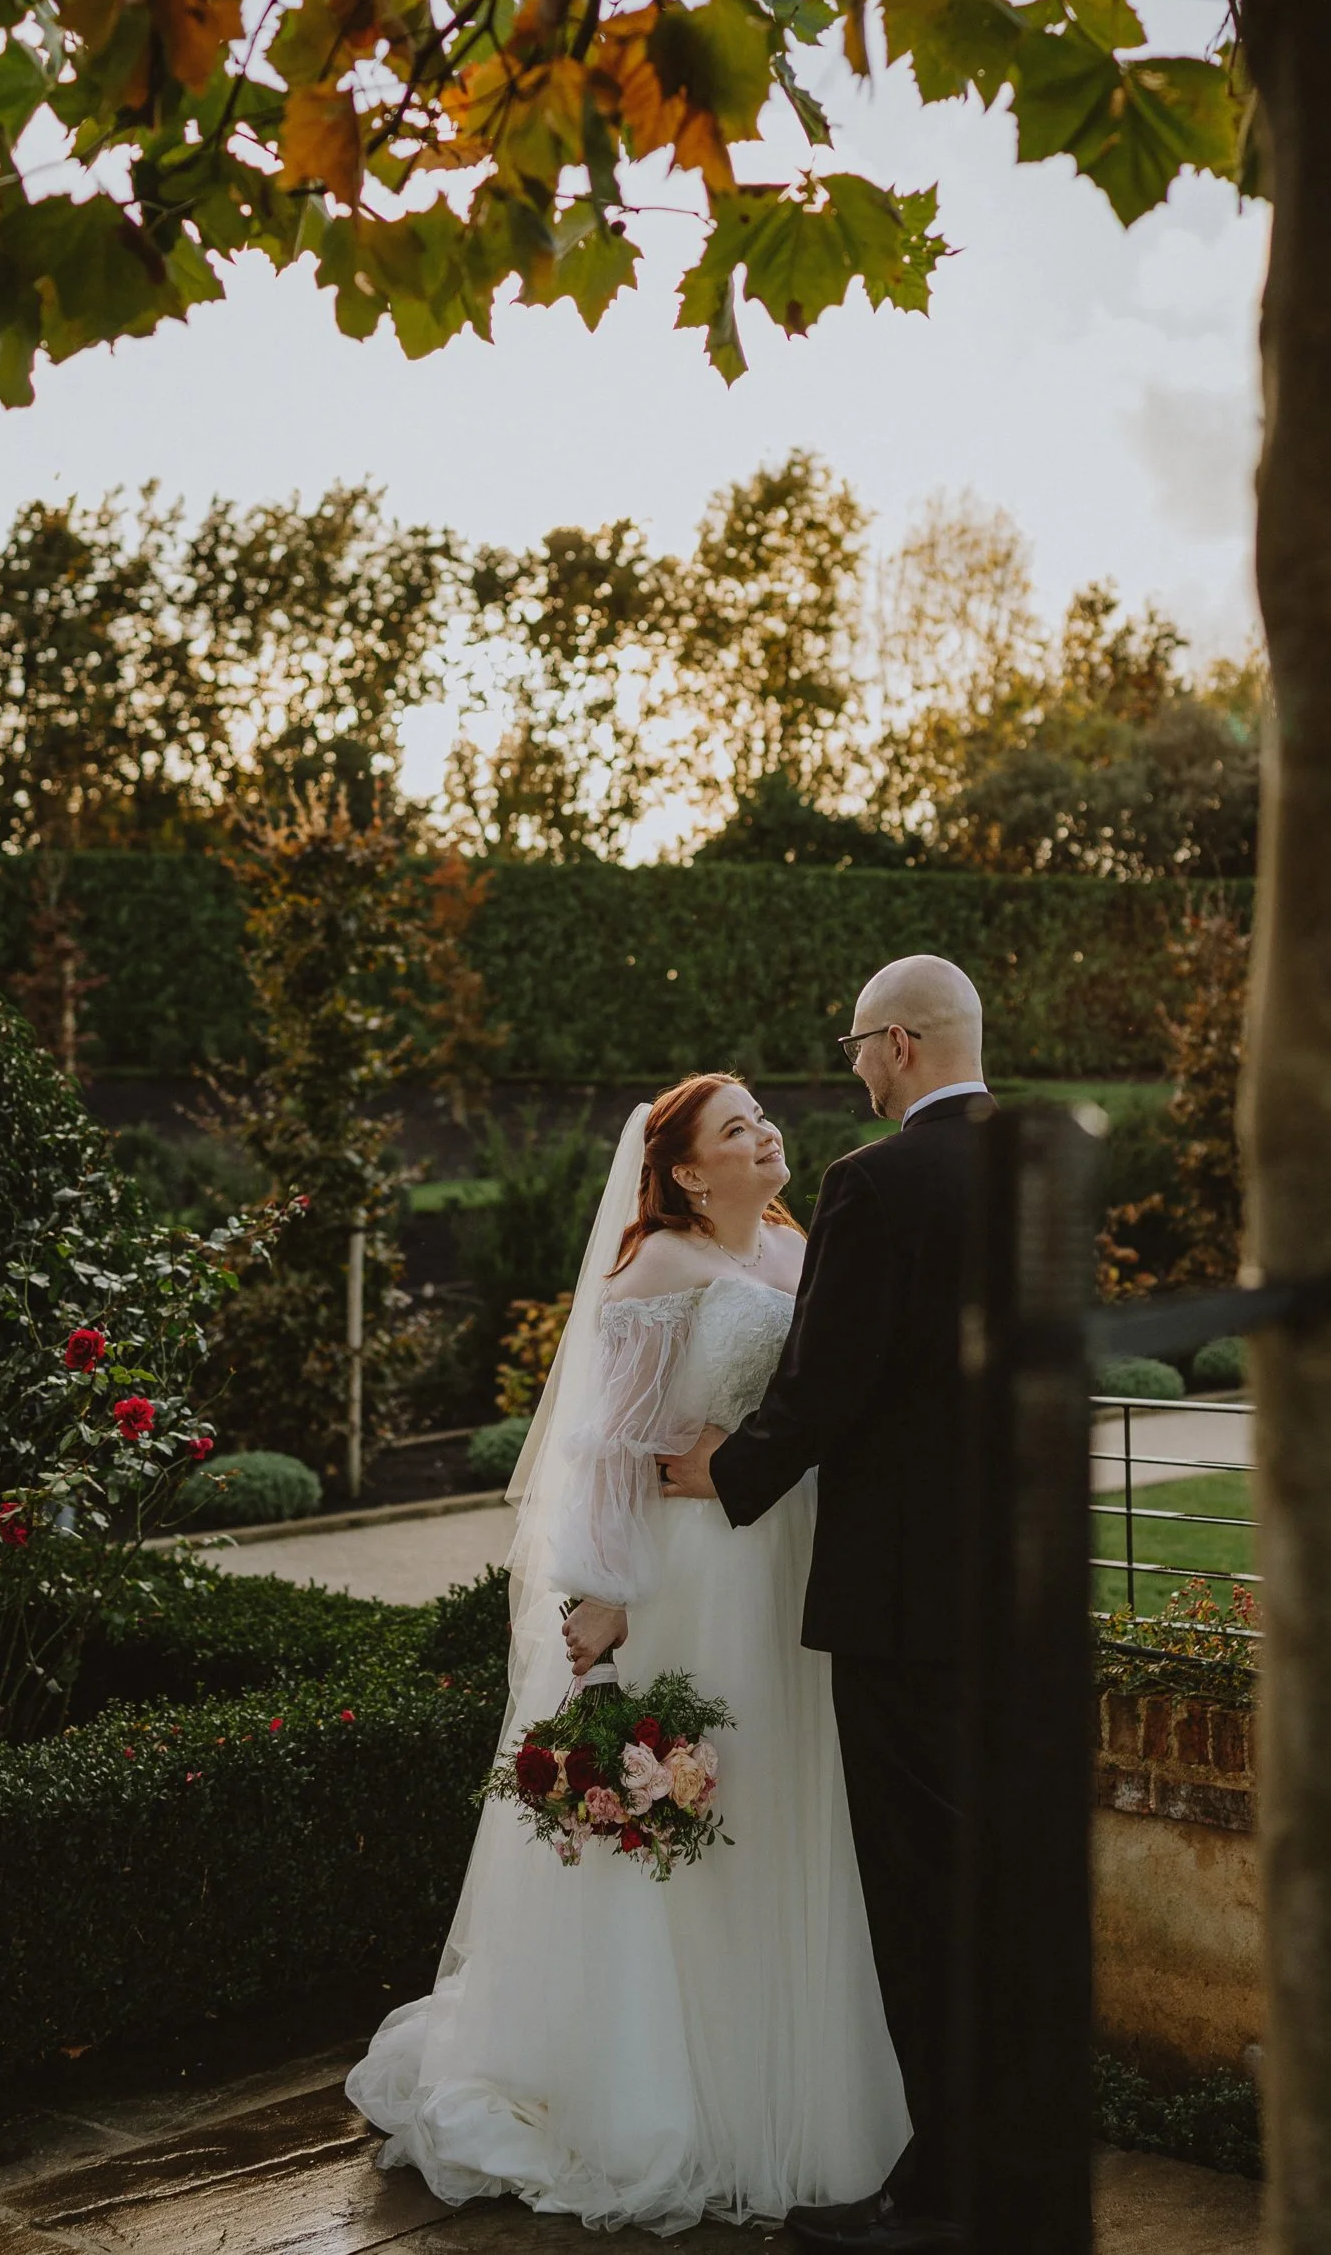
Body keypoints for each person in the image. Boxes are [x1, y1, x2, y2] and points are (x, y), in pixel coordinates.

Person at [346, 1074, 909, 2236]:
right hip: (690, 1580)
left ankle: (796, 2082)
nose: (767, 1134)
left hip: (791, 1562)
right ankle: (662, 2098)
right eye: (739, 1128)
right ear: (692, 1171)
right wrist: (603, 1604)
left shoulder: (801, 1255)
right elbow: (604, 1455)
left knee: (797, 1812)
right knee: (699, 1821)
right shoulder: (655, 1270)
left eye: (763, 1118)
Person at [659, 955, 992, 2255]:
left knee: (914, 1892)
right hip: (1006, 1580)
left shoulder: (874, 1182)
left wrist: (725, 1472)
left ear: (898, 1046)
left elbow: (832, 1383)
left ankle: (941, 2194)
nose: (849, 1068)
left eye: (858, 1045)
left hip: (899, 1594)